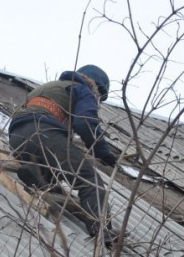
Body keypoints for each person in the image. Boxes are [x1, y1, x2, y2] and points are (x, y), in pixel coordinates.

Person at [8, 65, 119, 242]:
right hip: (44, 133)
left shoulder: (49, 87)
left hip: (17, 138)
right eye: (100, 98)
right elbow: (85, 123)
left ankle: (35, 172)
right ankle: (102, 230)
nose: (98, 102)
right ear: (97, 88)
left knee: (57, 170)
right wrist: (103, 152)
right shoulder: (83, 89)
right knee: (89, 179)